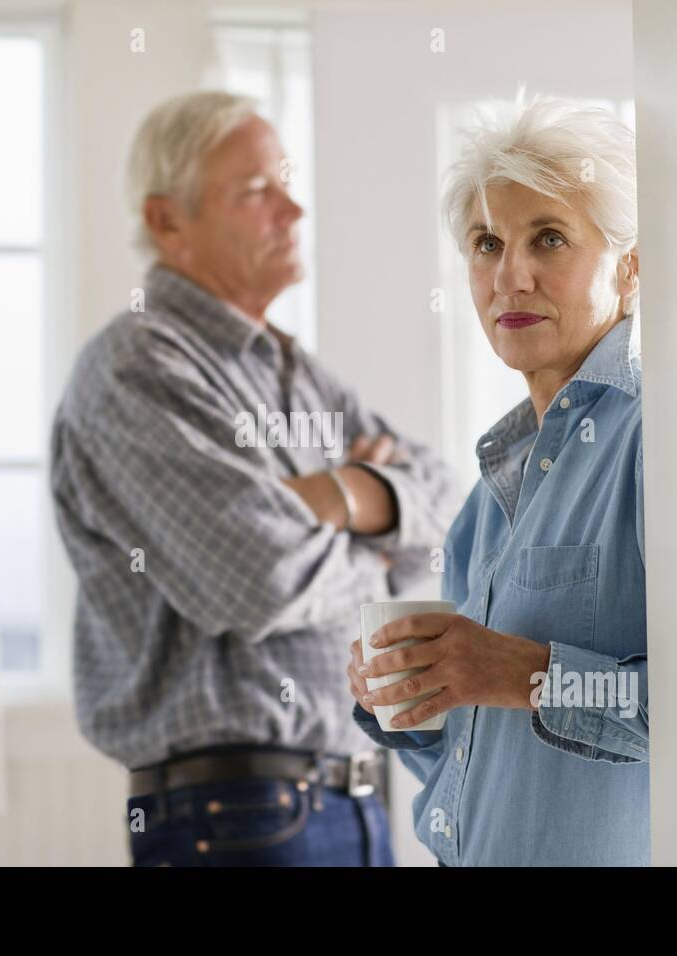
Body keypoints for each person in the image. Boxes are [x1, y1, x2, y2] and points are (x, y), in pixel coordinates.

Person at [49, 91, 458, 866]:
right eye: (257, 191)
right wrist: (378, 541)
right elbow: (259, 580)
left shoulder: (297, 371)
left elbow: (447, 514)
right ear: (168, 221)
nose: (294, 210)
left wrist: (343, 495)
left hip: (359, 796)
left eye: (287, 182)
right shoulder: (139, 367)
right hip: (239, 818)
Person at [347, 94, 649, 865]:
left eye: (549, 238)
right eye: (487, 244)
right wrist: (405, 697)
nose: (510, 277)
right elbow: (469, 760)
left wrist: (529, 677)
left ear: (632, 268)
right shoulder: (486, 498)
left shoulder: (661, 442)